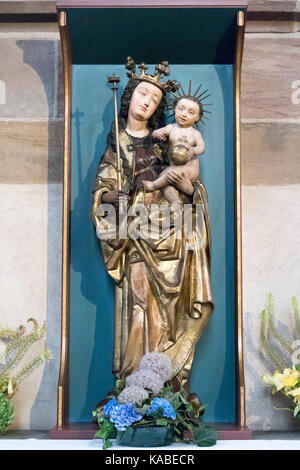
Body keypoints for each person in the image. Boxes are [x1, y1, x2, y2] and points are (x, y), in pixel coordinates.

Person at [92, 59, 213, 402]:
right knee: (138, 307)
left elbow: (193, 187)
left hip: (171, 236)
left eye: (156, 100)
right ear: (129, 96)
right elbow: (101, 194)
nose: (147, 102)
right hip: (135, 236)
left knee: (170, 311)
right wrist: (113, 196)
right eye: (143, 94)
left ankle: (171, 386)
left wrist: (187, 190)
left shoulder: (167, 143)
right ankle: (132, 385)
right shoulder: (117, 145)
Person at [142, 97, 205, 205]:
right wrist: (157, 134)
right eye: (181, 109)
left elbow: (202, 148)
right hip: (173, 166)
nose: (184, 114)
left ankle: (153, 186)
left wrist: (192, 150)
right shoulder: (171, 128)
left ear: (197, 118)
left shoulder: (195, 133)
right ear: (174, 109)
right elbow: (154, 133)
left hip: (189, 169)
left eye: (191, 112)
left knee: (168, 176)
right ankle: (175, 200)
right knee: (164, 180)